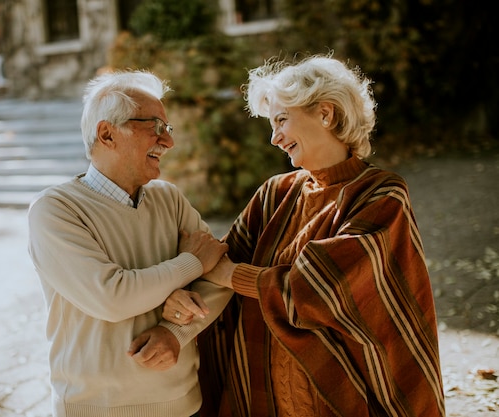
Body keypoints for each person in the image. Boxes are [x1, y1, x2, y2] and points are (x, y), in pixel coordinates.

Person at [163, 55, 445, 417]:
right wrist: (179, 293)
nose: (274, 138)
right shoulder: (273, 194)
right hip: (261, 396)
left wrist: (228, 273)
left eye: (281, 120)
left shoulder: (382, 194)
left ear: (325, 114)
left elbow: (319, 287)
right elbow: (213, 269)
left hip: (342, 400)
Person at [27, 70, 233, 417]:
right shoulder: (54, 210)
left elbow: (220, 275)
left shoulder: (170, 198)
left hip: (184, 403)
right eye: (155, 127)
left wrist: (174, 332)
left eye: (167, 129)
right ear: (106, 133)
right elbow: (112, 296)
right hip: (97, 409)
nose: (167, 141)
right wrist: (191, 264)